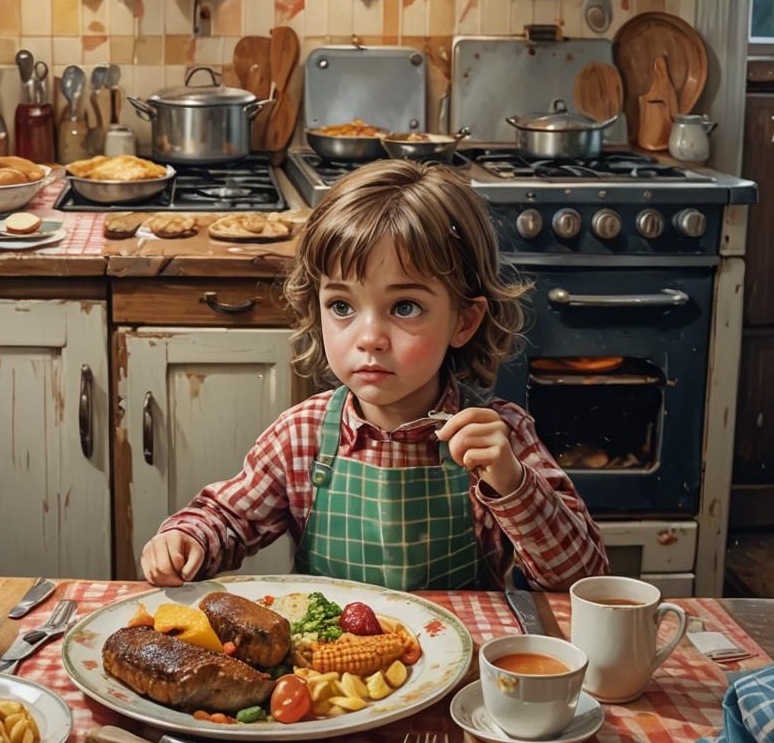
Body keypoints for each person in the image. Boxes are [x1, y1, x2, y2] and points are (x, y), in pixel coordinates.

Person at [140, 160, 609, 591]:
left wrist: (514, 483)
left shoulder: (499, 438)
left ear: (464, 321)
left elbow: (583, 579)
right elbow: (225, 519)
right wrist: (187, 539)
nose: (370, 338)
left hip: (458, 673)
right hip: (331, 674)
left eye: (404, 307)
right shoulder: (300, 436)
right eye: (342, 306)